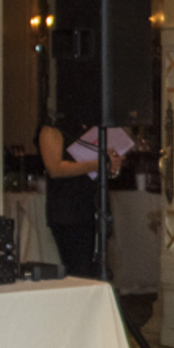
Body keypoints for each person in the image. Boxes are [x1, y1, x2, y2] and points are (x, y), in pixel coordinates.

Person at [38, 115, 122, 278]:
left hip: (91, 206)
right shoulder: (52, 128)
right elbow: (54, 168)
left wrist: (111, 165)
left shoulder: (90, 126)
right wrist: (97, 164)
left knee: (95, 267)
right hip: (67, 210)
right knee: (78, 269)